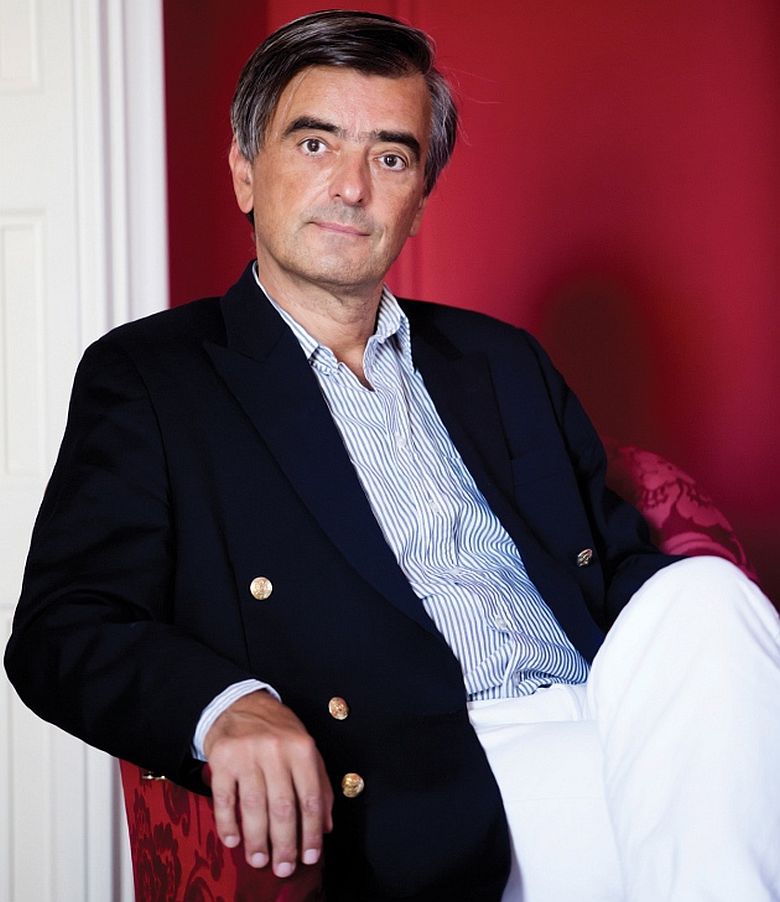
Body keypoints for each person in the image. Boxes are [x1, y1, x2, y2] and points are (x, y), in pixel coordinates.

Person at [5, 10, 780, 901]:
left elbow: (614, 572)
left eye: (391, 158)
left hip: (624, 723)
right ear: (245, 171)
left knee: (706, 592)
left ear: (419, 201)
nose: (351, 187)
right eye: (315, 144)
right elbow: (64, 628)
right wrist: (224, 707)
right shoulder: (154, 378)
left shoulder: (501, 362)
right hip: (438, 773)